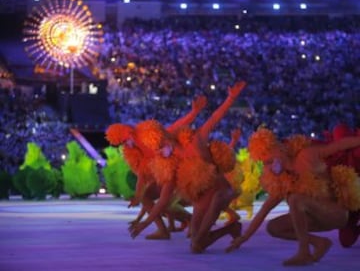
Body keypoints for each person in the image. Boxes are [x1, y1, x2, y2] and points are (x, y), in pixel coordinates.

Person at [128, 81, 246, 253]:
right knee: (197, 246)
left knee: (199, 240)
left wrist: (231, 98)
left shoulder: (196, 140)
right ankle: (231, 229)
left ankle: (228, 229)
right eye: (157, 149)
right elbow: (162, 201)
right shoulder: (172, 165)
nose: (160, 151)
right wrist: (145, 223)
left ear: (166, 138)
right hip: (201, 199)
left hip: (220, 191)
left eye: (161, 146)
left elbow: (214, 118)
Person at [226, 127, 360, 266]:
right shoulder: (283, 181)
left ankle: (304, 252)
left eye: (271, 160)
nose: (270, 166)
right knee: (274, 227)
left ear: (279, 149)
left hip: (336, 213)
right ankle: (319, 243)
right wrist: (244, 237)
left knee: (295, 198)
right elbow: (263, 211)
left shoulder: (307, 155)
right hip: (315, 219)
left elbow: (338, 145)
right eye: (266, 163)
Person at [106, 95, 207, 239]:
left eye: (123, 141)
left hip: (178, 177)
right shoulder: (136, 151)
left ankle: (191, 221)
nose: (124, 145)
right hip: (163, 176)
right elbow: (142, 174)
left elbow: (176, 127)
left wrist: (194, 113)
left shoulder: (155, 142)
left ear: (127, 135)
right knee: (148, 197)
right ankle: (165, 229)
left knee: (166, 204)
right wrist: (138, 196)